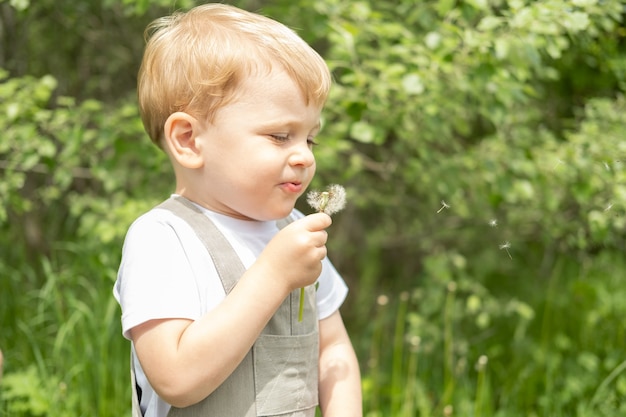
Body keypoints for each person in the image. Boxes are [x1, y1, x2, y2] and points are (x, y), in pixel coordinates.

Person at [113, 3, 362, 417]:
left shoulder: (296, 230)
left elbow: (332, 349)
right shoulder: (162, 238)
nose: (303, 156)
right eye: (280, 136)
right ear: (190, 140)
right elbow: (175, 379)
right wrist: (273, 274)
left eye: (310, 139)